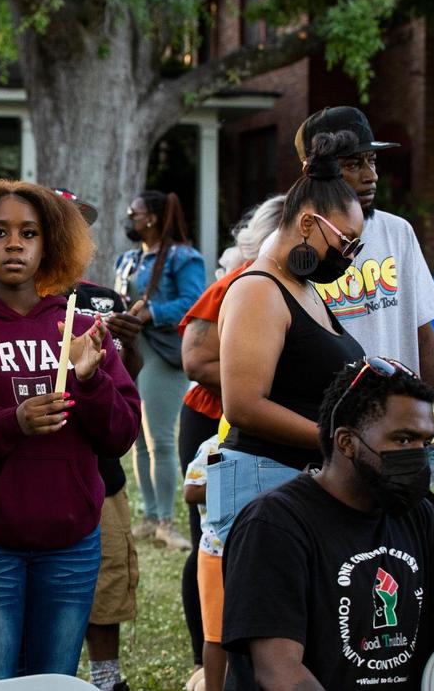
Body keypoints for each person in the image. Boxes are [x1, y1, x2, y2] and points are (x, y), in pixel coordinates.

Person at [0, 180, 143, 685]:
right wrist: (12, 423)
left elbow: (120, 436)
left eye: (29, 233)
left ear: (51, 243)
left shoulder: (80, 328)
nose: (14, 244)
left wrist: (89, 380)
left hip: (71, 543)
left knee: (52, 682)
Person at [222, 358, 434, 690]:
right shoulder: (274, 524)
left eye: (424, 443)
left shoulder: (418, 513)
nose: (418, 455)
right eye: (402, 440)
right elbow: (279, 672)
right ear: (346, 442)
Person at [211, 131, 365, 549]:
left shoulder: (303, 286)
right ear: (308, 223)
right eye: (345, 241)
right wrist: (335, 439)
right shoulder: (258, 290)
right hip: (262, 483)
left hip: (294, 481)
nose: (349, 256)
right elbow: (243, 405)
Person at [296, 107, 434, 457]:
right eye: (353, 164)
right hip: (324, 431)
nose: (370, 175)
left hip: (397, 429)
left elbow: (421, 330)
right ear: (311, 172)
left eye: (372, 161)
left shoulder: (398, 232)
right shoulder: (293, 243)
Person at [175, 194, 284, 684]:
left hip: (266, 429)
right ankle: (207, 661)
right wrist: (259, 378)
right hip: (212, 423)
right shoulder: (235, 285)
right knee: (210, 542)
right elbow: (195, 361)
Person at [54, 188, 143, 691]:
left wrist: (125, 346)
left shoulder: (101, 297)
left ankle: (107, 678)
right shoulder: (14, 294)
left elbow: (131, 375)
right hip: (40, 458)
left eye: (79, 222)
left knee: (106, 572)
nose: (72, 231)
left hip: (99, 464)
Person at [115, 190, 205, 550]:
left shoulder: (184, 257)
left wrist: (153, 312)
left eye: (133, 213)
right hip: (132, 351)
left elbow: (194, 300)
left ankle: (167, 521)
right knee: (136, 437)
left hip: (163, 353)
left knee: (160, 438)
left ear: (151, 218)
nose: (129, 219)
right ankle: (150, 517)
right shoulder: (128, 259)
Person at [182, 432, 225, 691]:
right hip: (217, 554)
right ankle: (208, 682)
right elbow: (190, 491)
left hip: (255, 554)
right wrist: (232, 481)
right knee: (216, 635)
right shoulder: (214, 445)